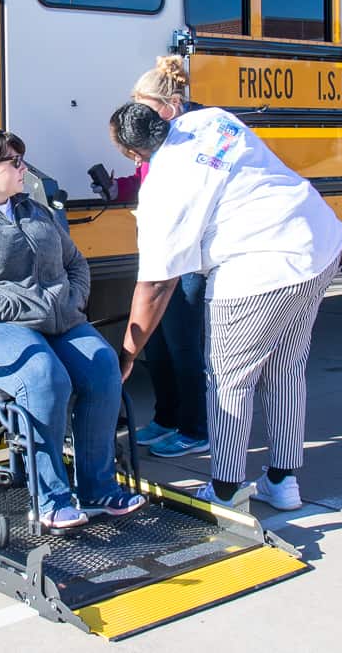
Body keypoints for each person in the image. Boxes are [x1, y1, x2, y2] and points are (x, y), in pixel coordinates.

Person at [110, 100, 342, 511]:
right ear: (163, 118)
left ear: (135, 155)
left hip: (257, 268)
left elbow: (155, 286)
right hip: (317, 243)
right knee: (285, 367)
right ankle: (282, 479)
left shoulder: (163, 185)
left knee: (228, 381)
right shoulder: (211, 119)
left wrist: (127, 356)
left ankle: (225, 490)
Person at [0, 128, 147, 530]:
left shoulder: (33, 209)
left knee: (102, 364)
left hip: (54, 318)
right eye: (16, 162)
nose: (24, 169)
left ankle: (97, 487)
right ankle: (51, 498)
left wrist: (71, 300)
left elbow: (76, 263)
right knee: (43, 375)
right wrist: (18, 308)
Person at [102, 57, 209, 459]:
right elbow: (148, 178)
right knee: (160, 342)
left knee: (184, 343)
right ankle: (167, 418)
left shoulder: (191, 139)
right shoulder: (158, 137)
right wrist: (122, 185)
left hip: (190, 256)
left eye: (145, 107)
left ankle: (196, 427)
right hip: (165, 248)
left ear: (171, 104)